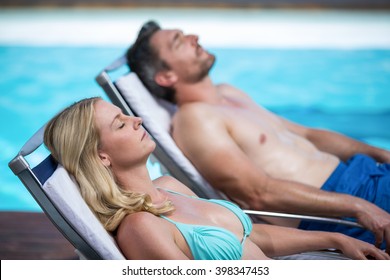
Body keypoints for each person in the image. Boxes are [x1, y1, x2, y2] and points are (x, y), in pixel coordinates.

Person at [125, 20, 390, 252]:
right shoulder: (194, 120)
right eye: (178, 42)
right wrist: (357, 206)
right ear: (166, 76)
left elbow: (308, 134)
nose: (194, 38)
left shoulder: (228, 93)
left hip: (365, 177)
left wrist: (380, 154)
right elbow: (257, 193)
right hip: (341, 207)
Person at [43, 97, 389, 260]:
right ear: (100, 156)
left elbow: (250, 237)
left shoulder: (169, 187)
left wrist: (335, 239)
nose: (136, 119)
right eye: (120, 124)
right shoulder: (141, 228)